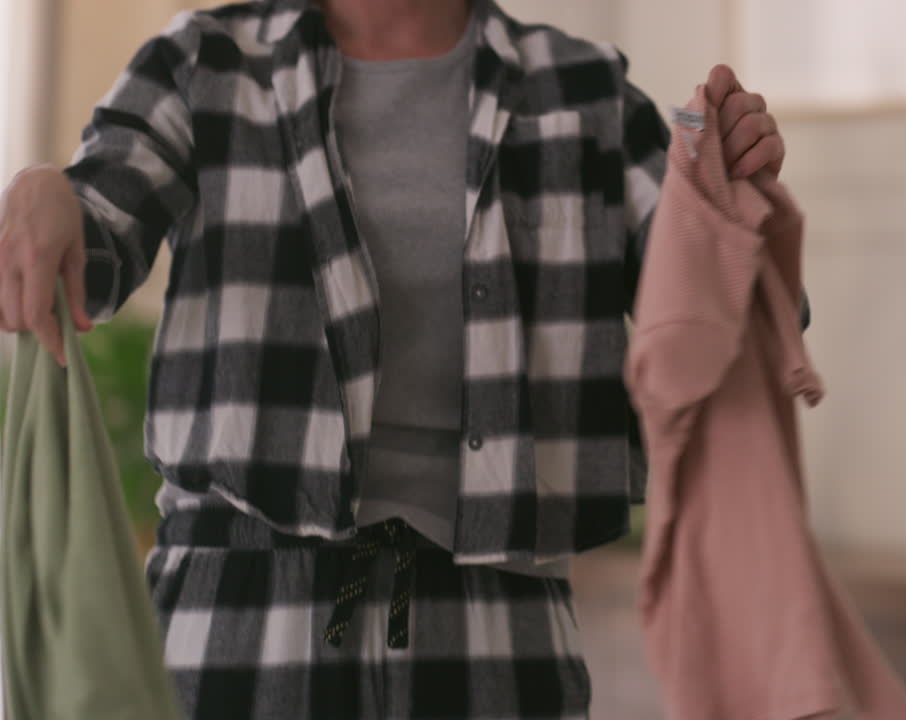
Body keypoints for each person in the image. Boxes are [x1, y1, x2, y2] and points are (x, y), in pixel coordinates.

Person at [0, 0, 787, 717]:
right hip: (235, 624)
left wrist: (738, 187)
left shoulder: (587, 90)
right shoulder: (201, 61)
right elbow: (91, 240)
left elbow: (723, 318)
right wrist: (46, 193)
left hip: (501, 638)